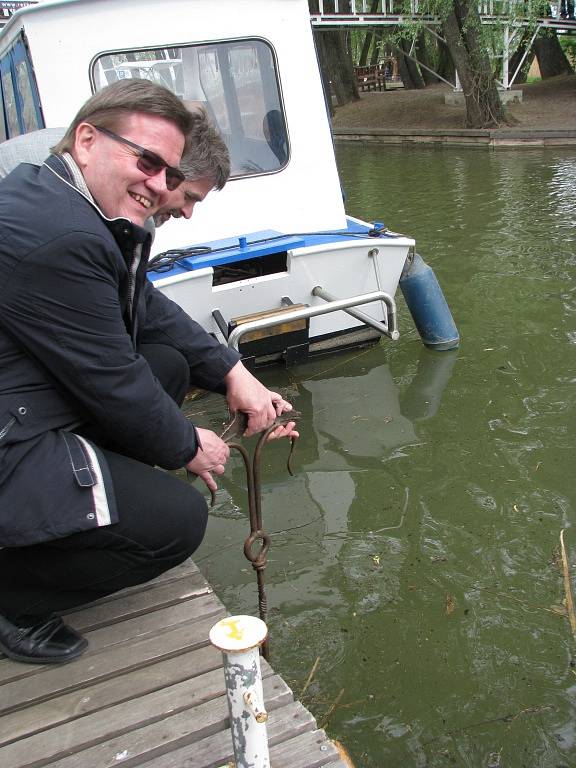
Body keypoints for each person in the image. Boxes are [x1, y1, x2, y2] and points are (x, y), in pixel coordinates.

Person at [0, 79, 296, 665]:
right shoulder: (60, 235)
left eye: (167, 171)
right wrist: (189, 445)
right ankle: (13, 597)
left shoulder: (63, 201)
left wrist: (231, 370)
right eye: (148, 162)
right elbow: (110, 379)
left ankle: (88, 513)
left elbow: (144, 308)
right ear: (85, 141)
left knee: (163, 363)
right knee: (177, 523)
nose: (162, 188)